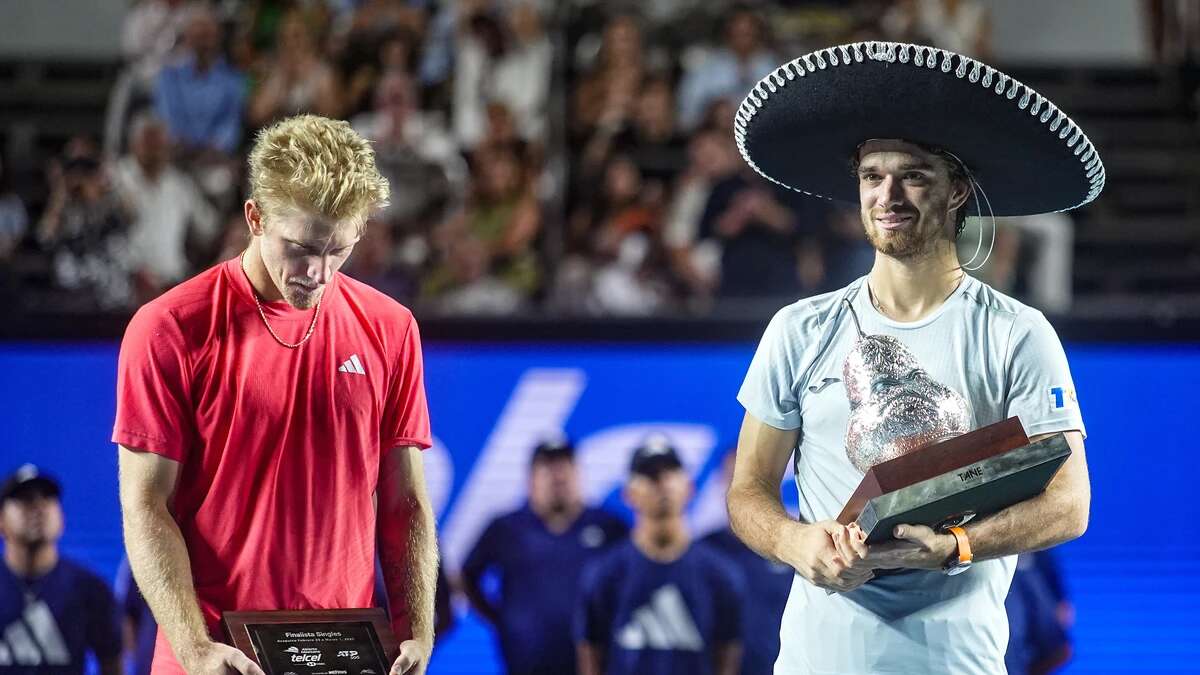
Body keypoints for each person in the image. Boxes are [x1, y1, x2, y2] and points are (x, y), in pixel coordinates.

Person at [725, 41, 1099, 673]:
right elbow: (748, 492)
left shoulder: (1017, 333)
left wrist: (956, 545)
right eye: (873, 176)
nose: (888, 194)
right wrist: (793, 540)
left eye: (914, 175)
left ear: (957, 191)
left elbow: (1071, 504)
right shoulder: (798, 329)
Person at [114, 114, 437, 675]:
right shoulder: (169, 327)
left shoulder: (392, 328)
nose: (317, 271)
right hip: (214, 659)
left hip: (343, 657)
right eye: (300, 247)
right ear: (254, 217)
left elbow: (405, 502)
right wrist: (194, 649)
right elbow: (146, 506)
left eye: (339, 250)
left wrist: (418, 632)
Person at [575, 437, 743, 675]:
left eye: (670, 471)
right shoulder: (605, 573)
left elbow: (727, 658)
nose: (661, 482)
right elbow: (591, 655)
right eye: (650, 474)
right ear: (628, 494)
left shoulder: (720, 574)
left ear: (689, 487)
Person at [462, 440, 628, 675]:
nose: (558, 476)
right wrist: (503, 620)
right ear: (531, 479)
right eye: (548, 467)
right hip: (525, 665)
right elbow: (468, 575)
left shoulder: (609, 527)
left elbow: (636, 577)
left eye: (565, 466)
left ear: (578, 474)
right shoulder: (506, 528)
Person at [0, 465, 123, 675]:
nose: (38, 507)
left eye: (47, 498)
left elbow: (112, 664)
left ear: (62, 518)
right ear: (1, 520)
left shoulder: (89, 588)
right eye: (25, 499)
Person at [700, 450, 792, 675]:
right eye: (734, 481)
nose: (745, 494)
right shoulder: (703, 553)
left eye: (754, 483)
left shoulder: (797, 548)